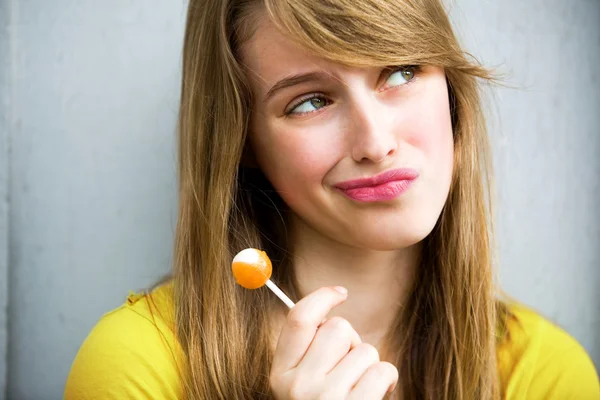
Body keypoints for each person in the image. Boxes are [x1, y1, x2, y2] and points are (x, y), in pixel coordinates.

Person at [64, 0, 600, 399]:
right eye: (310, 102)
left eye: (400, 71)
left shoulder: (545, 374)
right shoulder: (138, 365)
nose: (375, 142)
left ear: (453, 99)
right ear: (244, 141)